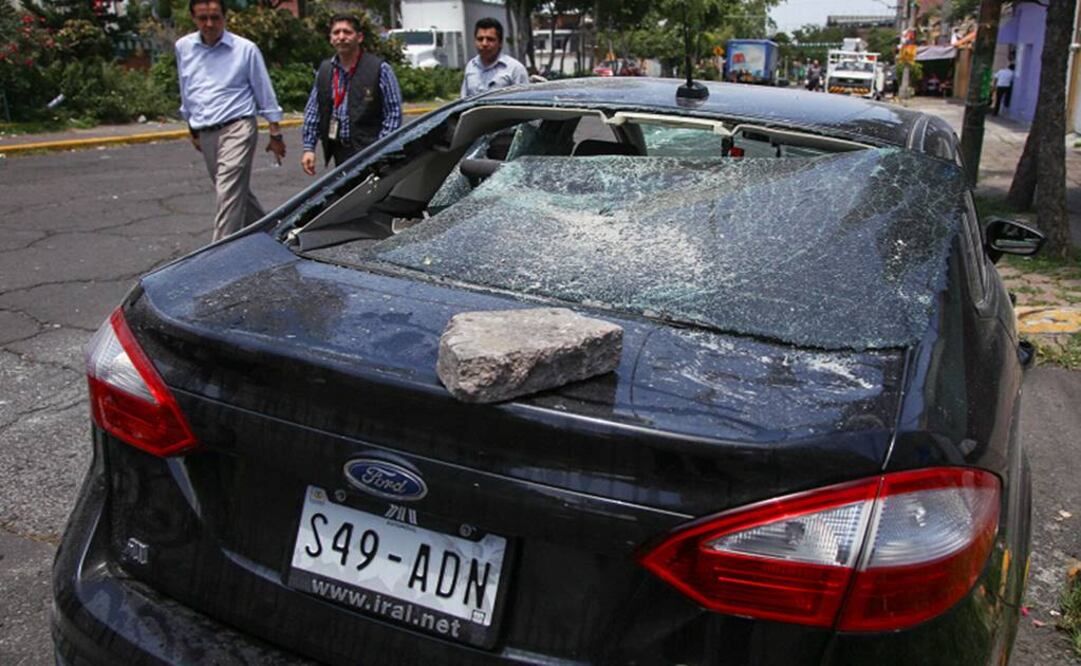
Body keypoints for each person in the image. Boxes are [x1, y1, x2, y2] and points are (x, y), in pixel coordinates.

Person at [176, 0, 285, 241]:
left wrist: (275, 132)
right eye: (203, 18)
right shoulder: (184, 47)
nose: (209, 24)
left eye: (215, 17)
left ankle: (217, 259)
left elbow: (263, 90)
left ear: (225, 17)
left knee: (227, 193)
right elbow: (187, 88)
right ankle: (272, 237)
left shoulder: (244, 49)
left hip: (238, 126)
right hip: (205, 130)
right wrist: (191, 126)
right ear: (193, 18)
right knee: (236, 193)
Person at [300, 15, 403, 176]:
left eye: (347, 32)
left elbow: (393, 114)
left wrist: (381, 150)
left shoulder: (379, 69)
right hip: (340, 151)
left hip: (371, 151)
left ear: (359, 37)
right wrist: (309, 148)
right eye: (336, 33)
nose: (341, 37)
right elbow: (314, 111)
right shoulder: (325, 71)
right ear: (331, 38)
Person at [461, 18, 529, 98]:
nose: (484, 43)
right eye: (480, 39)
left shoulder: (515, 69)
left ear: (500, 43)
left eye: (490, 39)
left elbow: (524, 101)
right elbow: (464, 100)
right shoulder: (471, 67)